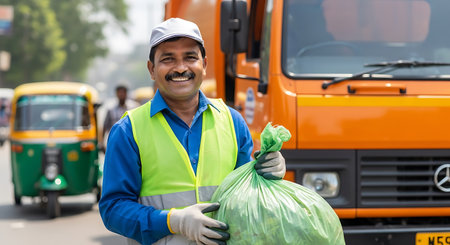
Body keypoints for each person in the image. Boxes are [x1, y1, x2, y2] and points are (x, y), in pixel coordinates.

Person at [99, 18, 286, 245]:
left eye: (190, 57)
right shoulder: (129, 131)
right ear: (152, 69)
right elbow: (113, 209)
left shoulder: (232, 122)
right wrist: (172, 220)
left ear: (204, 65)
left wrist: (266, 174)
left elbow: (247, 196)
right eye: (168, 59)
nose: (180, 68)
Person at [102, 85, 139, 149]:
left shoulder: (134, 107)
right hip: (115, 140)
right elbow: (105, 126)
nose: (121, 94)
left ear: (126, 94)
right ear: (116, 94)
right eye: (119, 92)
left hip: (131, 141)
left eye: (123, 92)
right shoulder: (111, 109)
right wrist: (102, 143)